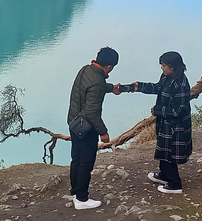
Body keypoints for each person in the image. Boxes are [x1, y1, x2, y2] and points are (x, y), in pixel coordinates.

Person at [67, 46, 122, 210]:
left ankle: (75, 191)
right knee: (86, 162)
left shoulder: (86, 69)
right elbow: (92, 113)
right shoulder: (98, 82)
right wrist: (103, 132)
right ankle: (82, 199)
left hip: (73, 122)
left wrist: (111, 88)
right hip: (87, 128)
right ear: (110, 66)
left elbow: (91, 87)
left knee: (76, 158)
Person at [133, 51, 192, 194]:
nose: (162, 68)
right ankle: (164, 175)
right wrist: (139, 86)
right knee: (164, 150)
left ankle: (174, 184)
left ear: (173, 67)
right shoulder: (167, 77)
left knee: (170, 154)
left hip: (176, 127)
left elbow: (180, 110)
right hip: (166, 124)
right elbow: (158, 88)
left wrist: (158, 110)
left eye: (164, 65)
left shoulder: (181, 84)